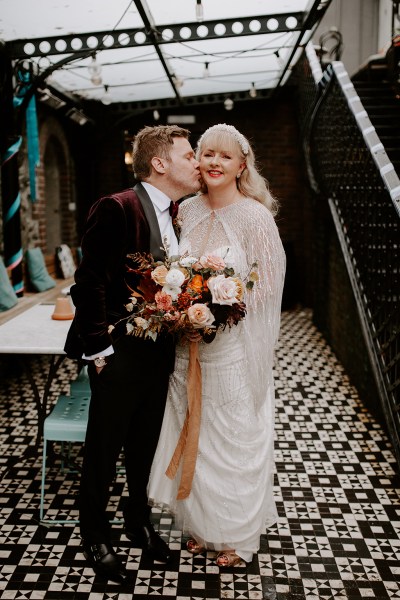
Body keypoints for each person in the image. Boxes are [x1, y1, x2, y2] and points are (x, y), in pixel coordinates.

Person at [64, 125, 201, 583]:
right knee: (103, 449)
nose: (196, 162)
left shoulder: (177, 213)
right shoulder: (118, 207)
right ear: (159, 164)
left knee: (144, 444)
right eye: (188, 155)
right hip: (117, 354)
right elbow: (89, 283)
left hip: (160, 354)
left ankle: (137, 522)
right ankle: (95, 534)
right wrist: (100, 350)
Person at [148, 123, 286, 567]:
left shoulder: (255, 216)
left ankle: (237, 538)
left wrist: (221, 313)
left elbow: (266, 288)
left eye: (225, 156)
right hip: (186, 345)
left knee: (232, 437)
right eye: (206, 154)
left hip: (231, 348)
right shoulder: (185, 210)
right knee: (196, 435)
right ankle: (203, 528)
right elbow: (168, 271)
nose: (213, 163)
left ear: (242, 165)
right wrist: (183, 312)